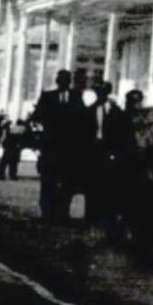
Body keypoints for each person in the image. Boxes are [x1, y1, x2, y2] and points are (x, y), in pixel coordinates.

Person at [31, 69, 81, 223]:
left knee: (67, 181)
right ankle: (47, 212)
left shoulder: (76, 97)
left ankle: (63, 212)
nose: (64, 82)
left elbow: (82, 120)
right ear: (57, 81)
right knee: (48, 180)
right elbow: (36, 118)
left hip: (69, 149)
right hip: (50, 147)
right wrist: (39, 140)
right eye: (61, 79)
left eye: (67, 79)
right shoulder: (47, 97)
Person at [85, 81, 127, 226]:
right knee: (92, 185)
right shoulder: (89, 111)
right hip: (93, 152)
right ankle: (90, 216)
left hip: (111, 152)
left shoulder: (117, 112)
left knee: (110, 184)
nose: (100, 94)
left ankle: (108, 217)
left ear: (108, 93)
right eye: (98, 92)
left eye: (103, 92)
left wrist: (116, 151)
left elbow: (122, 134)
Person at [0, 116, 25, 181]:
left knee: (5, 159)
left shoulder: (9, 127)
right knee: (14, 160)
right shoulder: (22, 129)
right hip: (14, 145)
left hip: (8, 144)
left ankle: (1, 173)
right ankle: (12, 175)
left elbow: (4, 135)